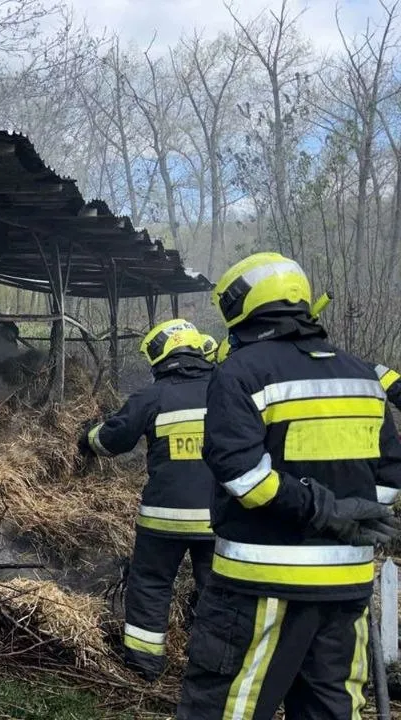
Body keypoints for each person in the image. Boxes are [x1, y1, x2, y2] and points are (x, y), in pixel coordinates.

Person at [176, 252, 401, 719]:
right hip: (345, 587)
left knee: (225, 707)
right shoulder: (360, 375)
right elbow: (389, 476)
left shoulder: (242, 372)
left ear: (240, 308)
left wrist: (325, 510)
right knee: (331, 709)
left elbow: (244, 477)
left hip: (260, 586)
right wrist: (350, 517)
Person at [78, 318, 215, 681]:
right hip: (221, 519)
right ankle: (210, 668)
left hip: (163, 519)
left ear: (164, 356)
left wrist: (85, 439)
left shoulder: (153, 396)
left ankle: (143, 670)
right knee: (218, 593)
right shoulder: (227, 388)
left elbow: (112, 440)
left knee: (151, 587)